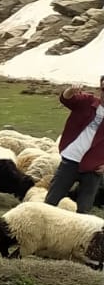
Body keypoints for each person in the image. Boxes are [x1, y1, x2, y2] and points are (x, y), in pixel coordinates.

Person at [48, 78, 104, 214]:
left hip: (93, 167)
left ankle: (76, 234)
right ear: (100, 88)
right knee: (51, 202)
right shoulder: (87, 102)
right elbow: (66, 99)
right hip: (70, 160)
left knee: (83, 211)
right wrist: (70, 91)